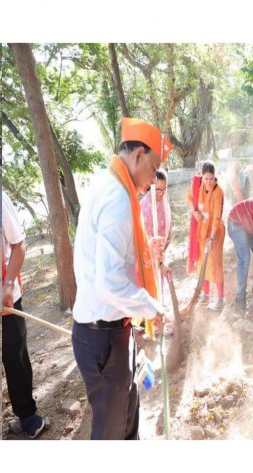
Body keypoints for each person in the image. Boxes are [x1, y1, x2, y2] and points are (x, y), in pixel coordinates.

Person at [72, 117, 170, 439]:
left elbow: (118, 258)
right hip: (103, 338)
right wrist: (150, 306)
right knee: (111, 433)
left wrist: (146, 254)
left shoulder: (112, 186)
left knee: (128, 417)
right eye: (154, 169)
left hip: (113, 331)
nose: (153, 179)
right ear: (138, 155)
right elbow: (109, 282)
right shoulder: (116, 197)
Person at [2, 191, 47, 438]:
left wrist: (7, 285)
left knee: (14, 356)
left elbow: (19, 245)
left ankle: (27, 414)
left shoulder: (0, 199)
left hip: (7, 296)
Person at [192, 161, 226, 310]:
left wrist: (211, 238)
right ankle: (206, 294)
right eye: (206, 178)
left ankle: (220, 299)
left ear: (215, 177)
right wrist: (194, 212)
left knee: (215, 263)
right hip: (202, 232)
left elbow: (217, 218)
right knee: (203, 263)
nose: (208, 182)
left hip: (215, 233)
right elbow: (190, 199)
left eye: (211, 178)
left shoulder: (218, 192)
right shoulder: (198, 186)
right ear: (202, 177)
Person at [141, 170, 172, 254]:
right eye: (158, 189)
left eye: (164, 189)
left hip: (163, 246)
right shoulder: (145, 205)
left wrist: (168, 238)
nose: (161, 193)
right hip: (151, 251)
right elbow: (145, 236)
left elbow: (168, 218)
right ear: (151, 187)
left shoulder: (165, 197)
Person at [186, 162, 204, 275]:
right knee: (196, 243)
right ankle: (199, 270)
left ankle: (204, 270)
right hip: (196, 217)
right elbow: (190, 198)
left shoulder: (212, 181)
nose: (200, 172)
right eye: (200, 169)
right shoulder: (196, 181)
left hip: (207, 219)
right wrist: (194, 212)